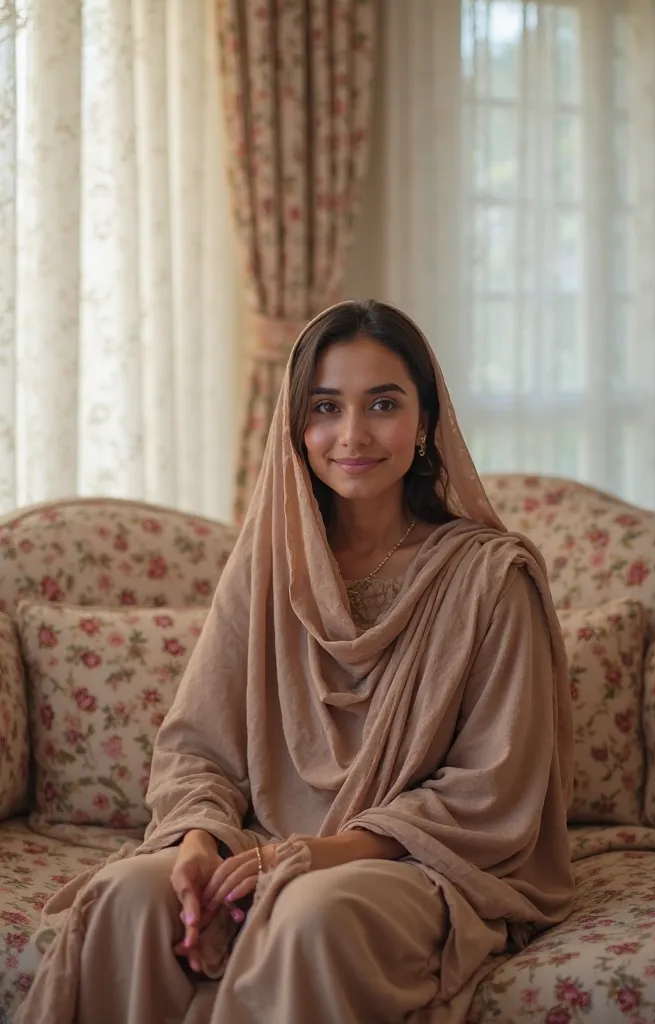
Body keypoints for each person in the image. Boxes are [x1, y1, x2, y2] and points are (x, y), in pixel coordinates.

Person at [15, 300, 575, 1024]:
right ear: (295, 425)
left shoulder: (491, 577)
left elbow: (491, 791)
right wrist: (197, 845)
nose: (352, 434)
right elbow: (197, 749)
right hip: (260, 845)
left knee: (311, 914)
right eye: (324, 407)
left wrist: (316, 856)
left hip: (417, 863)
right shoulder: (267, 569)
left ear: (428, 422)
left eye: (382, 404)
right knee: (128, 896)